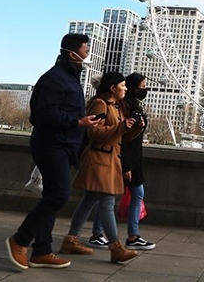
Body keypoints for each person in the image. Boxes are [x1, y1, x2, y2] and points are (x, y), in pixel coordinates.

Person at [5, 33, 103, 270]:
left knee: (51, 195)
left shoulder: (69, 78)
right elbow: (40, 115)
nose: (87, 54)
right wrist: (78, 123)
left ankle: (42, 251)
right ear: (71, 53)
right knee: (58, 195)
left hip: (63, 145)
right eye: (85, 50)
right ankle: (19, 240)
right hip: (51, 145)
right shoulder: (54, 79)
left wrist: (82, 123)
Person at [60, 71, 143, 264]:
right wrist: (122, 126)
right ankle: (116, 247)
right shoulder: (100, 104)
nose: (125, 89)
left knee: (89, 200)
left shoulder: (117, 106)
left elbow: (119, 136)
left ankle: (71, 239)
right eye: (122, 86)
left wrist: (135, 128)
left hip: (110, 159)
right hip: (100, 159)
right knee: (107, 203)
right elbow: (94, 133)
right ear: (113, 88)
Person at [87, 72, 156, 251]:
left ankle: (93, 234)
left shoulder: (130, 105)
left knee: (98, 198)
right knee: (111, 198)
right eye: (142, 86)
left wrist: (137, 128)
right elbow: (118, 137)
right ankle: (122, 239)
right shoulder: (116, 106)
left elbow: (127, 134)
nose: (145, 89)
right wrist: (126, 164)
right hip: (121, 158)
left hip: (129, 158)